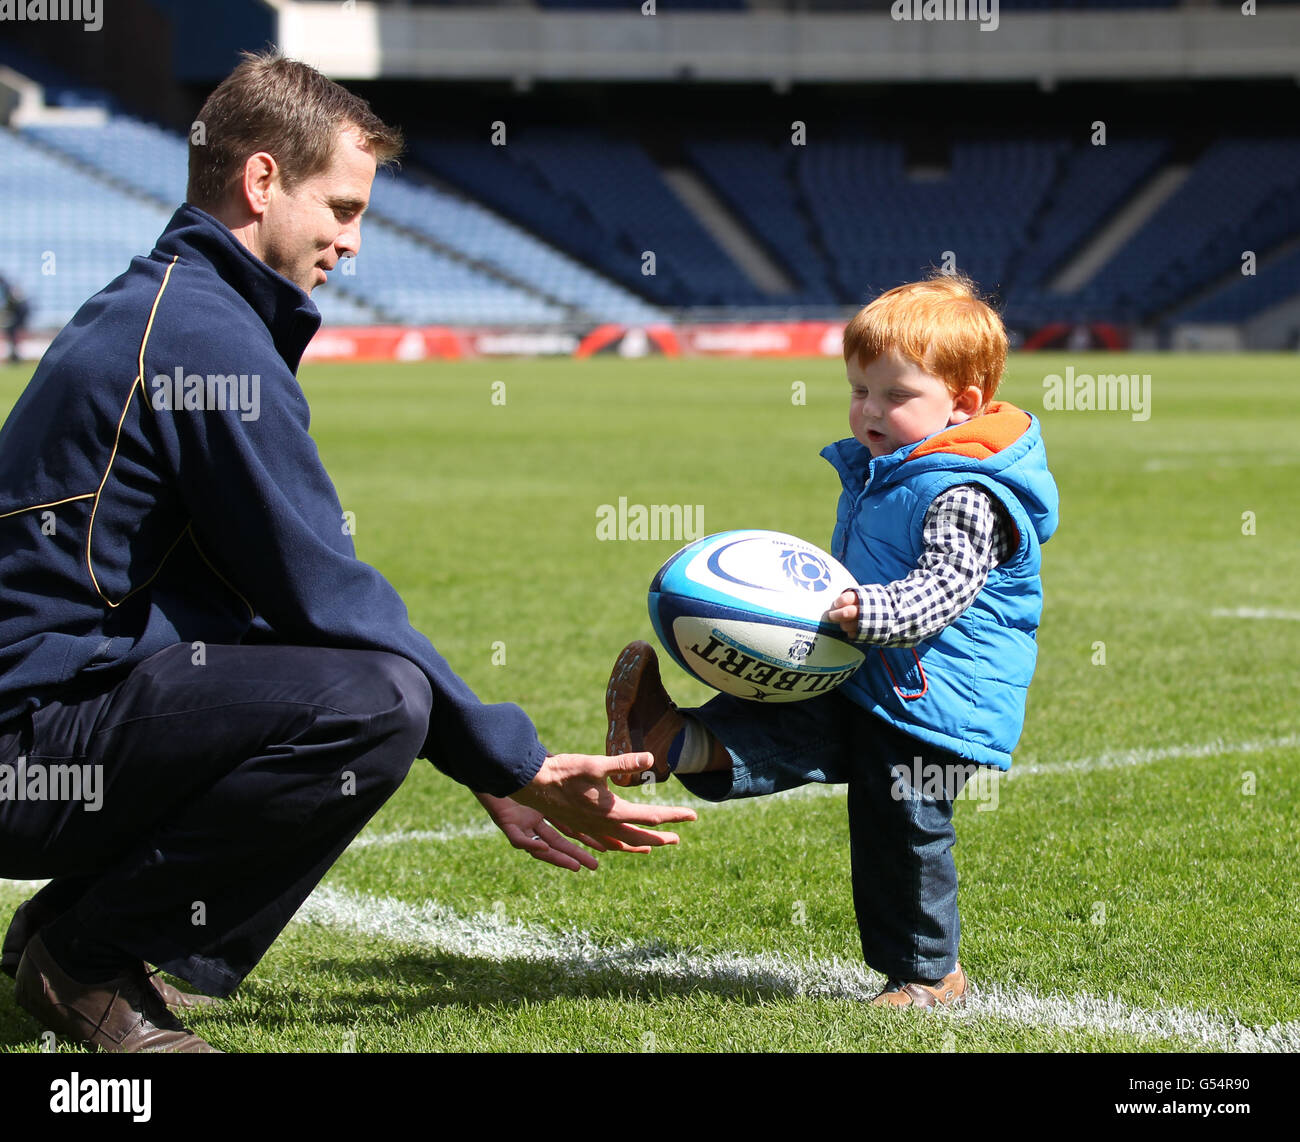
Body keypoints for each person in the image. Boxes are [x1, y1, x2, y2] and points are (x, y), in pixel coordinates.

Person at [0, 51, 694, 1054]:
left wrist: (486, 763)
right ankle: (89, 960)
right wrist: (510, 758)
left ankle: (62, 928)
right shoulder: (205, 339)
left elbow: (260, 600)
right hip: (27, 744)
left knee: (318, 681)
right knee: (374, 703)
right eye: (343, 207)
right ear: (262, 181)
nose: (353, 242)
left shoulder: (175, 307)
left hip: (43, 718)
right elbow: (326, 591)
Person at [606, 273, 1058, 1007]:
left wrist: (871, 611)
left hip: (934, 699)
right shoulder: (893, 469)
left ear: (963, 404)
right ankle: (669, 739)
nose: (870, 411)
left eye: (895, 396)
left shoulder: (966, 492)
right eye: (859, 391)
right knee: (782, 722)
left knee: (899, 827)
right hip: (871, 669)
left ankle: (927, 974)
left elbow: (941, 591)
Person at [0, 275, 30, 364]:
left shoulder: (6, 287)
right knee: (12, 332)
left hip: (19, 312)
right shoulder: (7, 286)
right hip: (18, 312)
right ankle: (15, 355)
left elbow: (13, 302)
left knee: (13, 332)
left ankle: (15, 355)